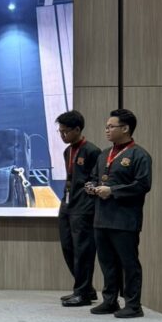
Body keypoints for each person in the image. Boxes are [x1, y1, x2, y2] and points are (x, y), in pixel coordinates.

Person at [86, 108, 152, 318]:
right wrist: (91, 186)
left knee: (128, 263)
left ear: (125, 128)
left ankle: (133, 305)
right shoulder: (104, 154)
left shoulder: (139, 155)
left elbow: (143, 185)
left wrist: (112, 191)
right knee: (107, 263)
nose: (106, 130)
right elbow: (94, 177)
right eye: (106, 127)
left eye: (111, 126)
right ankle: (109, 301)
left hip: (124, 220)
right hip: (101, 218)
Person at [56, 110, 101, 308]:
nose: (62, 135)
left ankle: (82, 293)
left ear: (77, 129)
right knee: (68, 247)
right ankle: (86, 288)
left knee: (83, 250)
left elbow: (96, 179)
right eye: (60, 131)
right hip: (67, 204)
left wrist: (88, 199)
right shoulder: (68, 151)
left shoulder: (92, 151)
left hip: (84, 207)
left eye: (65, 131)